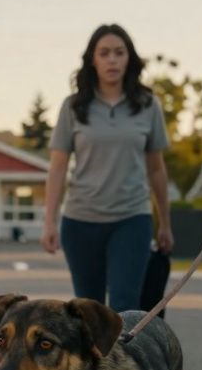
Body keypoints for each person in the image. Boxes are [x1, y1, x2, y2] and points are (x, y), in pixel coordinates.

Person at [42, 24, 175, 312]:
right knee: (88, 312)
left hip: (131, 219)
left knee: (125, 307)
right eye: (104, 53)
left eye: (119, 52)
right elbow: (57, 169)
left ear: (129, 59)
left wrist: (164, 222)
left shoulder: (148, 105)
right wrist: (50, 221)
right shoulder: (73, 107)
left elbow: (156, 170)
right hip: (80, 221)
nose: (112, 60)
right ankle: (97, 361)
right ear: (93, 60)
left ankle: (124, 360)